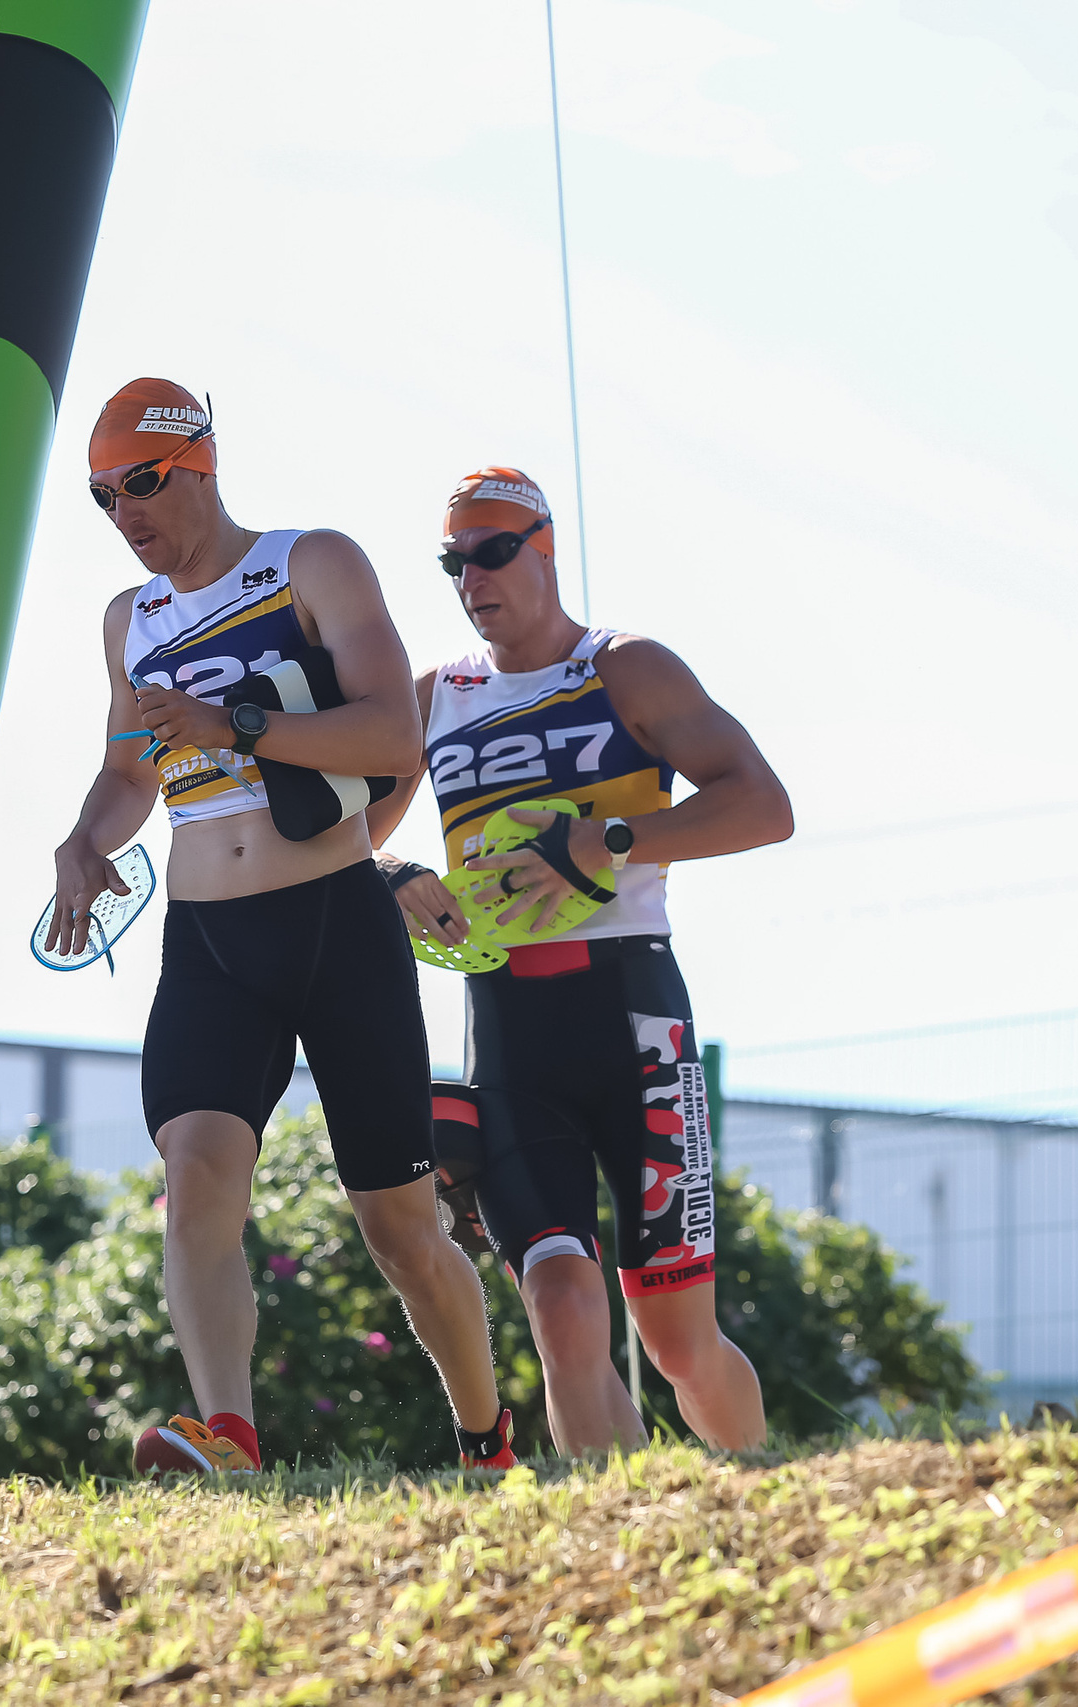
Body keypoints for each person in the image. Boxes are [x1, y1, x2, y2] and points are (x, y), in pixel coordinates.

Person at [48, 381, 517, 1474]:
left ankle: (484, 1437)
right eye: (103, 498)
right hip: (207, 936)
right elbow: (127, 774)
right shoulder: (129, 620)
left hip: (331, 922)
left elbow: (391, 734)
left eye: (143, 484)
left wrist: (234, 724)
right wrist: (84, 841)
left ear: (201, 461)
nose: (126, 513)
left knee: (402, 1228)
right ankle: (233, 1434)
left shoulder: (312, 561)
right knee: (197, 1173)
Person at [368, 466, 791, 1455]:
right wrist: (391, 875)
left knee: (677, 1341)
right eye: (452, 561)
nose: (472, 577)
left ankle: (761, 1499)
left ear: (545, 548)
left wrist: (611, 838)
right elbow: (342, 841)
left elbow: (763, 807)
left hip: (635, 1016)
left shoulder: (627, 668)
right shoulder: (435, 697)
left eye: (493, 551)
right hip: (507, 1030)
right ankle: (619, 1537)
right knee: (560, 1307)